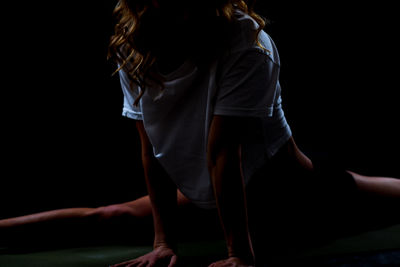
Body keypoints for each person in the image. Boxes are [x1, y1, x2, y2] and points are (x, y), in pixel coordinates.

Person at [1, 0, 399, 266]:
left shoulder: (246, 41)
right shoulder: (133, 46)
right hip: (208, 199)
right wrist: (162, 242)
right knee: (109, 214)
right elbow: (151, 151)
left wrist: (239, 254)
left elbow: (224, 152)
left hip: (296, 193)